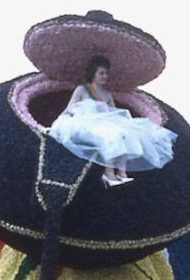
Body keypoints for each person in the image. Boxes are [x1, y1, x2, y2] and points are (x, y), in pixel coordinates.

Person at [49, 55, 177, 187]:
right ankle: (108, 173)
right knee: (110, 136)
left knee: (125, 134)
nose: (105, 76)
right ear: (93, 73)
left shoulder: (107, 94)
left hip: (104, 123)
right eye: (101, 73)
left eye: (106, 73)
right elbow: (70, 107)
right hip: (85, 123)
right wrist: (59, 121)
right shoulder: (83, 89)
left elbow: (114, 113)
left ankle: (121, 172)